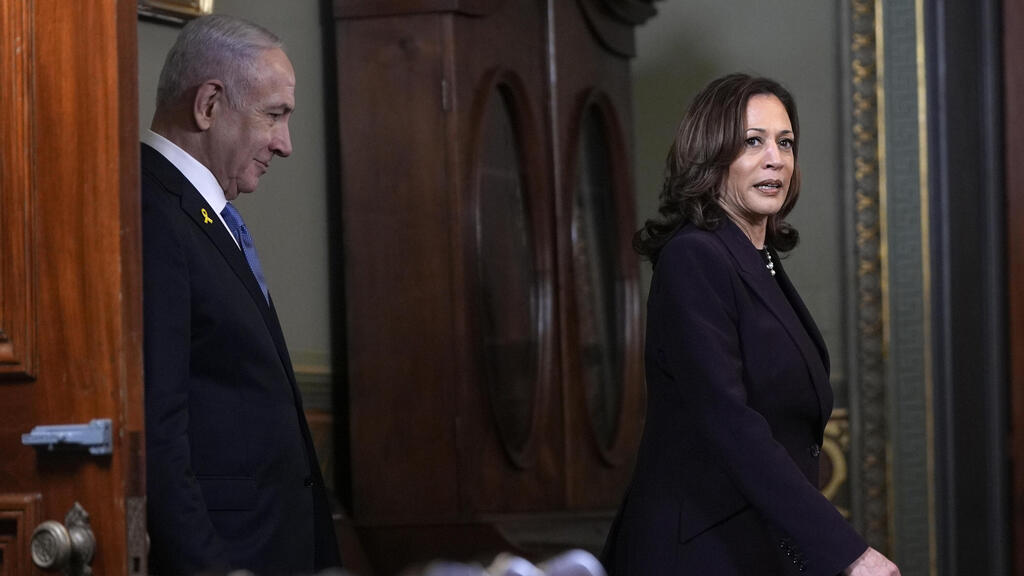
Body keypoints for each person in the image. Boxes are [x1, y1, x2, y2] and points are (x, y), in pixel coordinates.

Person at [601, 74, 899, 576]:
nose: (775, 158)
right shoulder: (694, 258)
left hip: (751, 548)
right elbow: (730, 423)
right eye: (752, 142)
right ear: (710, 156)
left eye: (785, 142)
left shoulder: (757, 259)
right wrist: (847, 551)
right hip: (693, 555)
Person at [142, 14, 341, 575]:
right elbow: (158, 432)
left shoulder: (201, 210)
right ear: (208, 105)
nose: (285, 144)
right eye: (274, 115)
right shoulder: (150, 211)